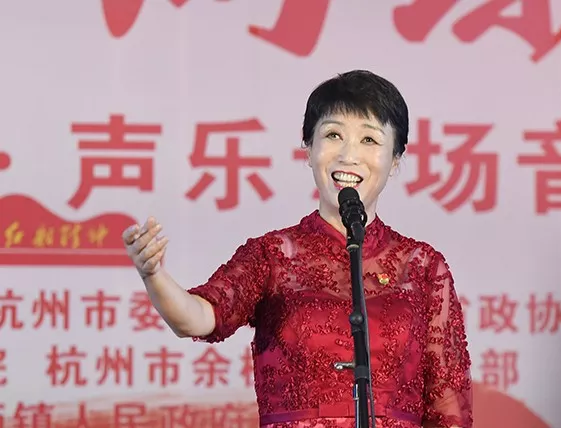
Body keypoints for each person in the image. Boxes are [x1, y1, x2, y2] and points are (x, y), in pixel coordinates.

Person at [122, 70, 473, 428]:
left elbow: (449, 408)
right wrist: (153, 274)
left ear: (395, 159)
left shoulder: (423, 266)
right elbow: (198, 317)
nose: (349, 155)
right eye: (333, 135)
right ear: (308, 148)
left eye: (369, 139)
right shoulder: (273, 255)